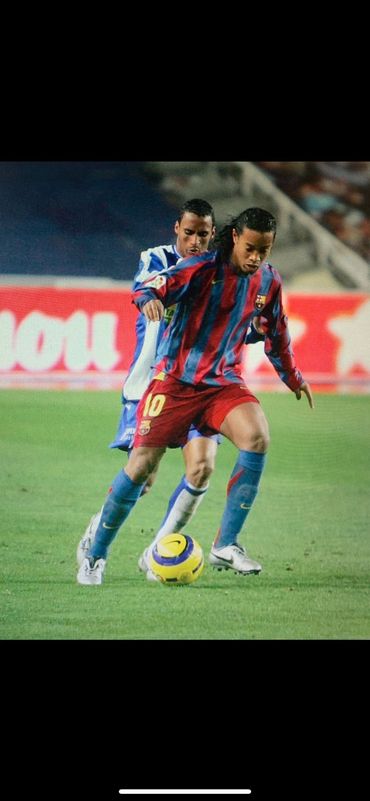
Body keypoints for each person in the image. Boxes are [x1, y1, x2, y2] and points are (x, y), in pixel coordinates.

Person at [77, 206, 313, 586]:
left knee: (256, 437)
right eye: (250, 248)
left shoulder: (268, 282)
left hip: (222, 384)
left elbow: (277, 331)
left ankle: (226, 543)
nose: (255, 258)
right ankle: (96, 555)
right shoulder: (201, 268)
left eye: (263, 251)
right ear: (235, 237)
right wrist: (147, 298)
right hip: (175, 383)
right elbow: (154, 285)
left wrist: (292, 375)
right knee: (140, 469)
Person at [77, 199, 218, 579]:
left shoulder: (219, 271)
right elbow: (144, 288)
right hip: (151, 383)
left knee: (203, 467)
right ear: (177, 229)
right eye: (188, 233)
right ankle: (98, 540)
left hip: (200, 382)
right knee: (143, 476)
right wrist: (148, 297)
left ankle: (158, 552)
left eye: (202, 235)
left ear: (213, 235)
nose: (194, 241)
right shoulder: (156, 259)